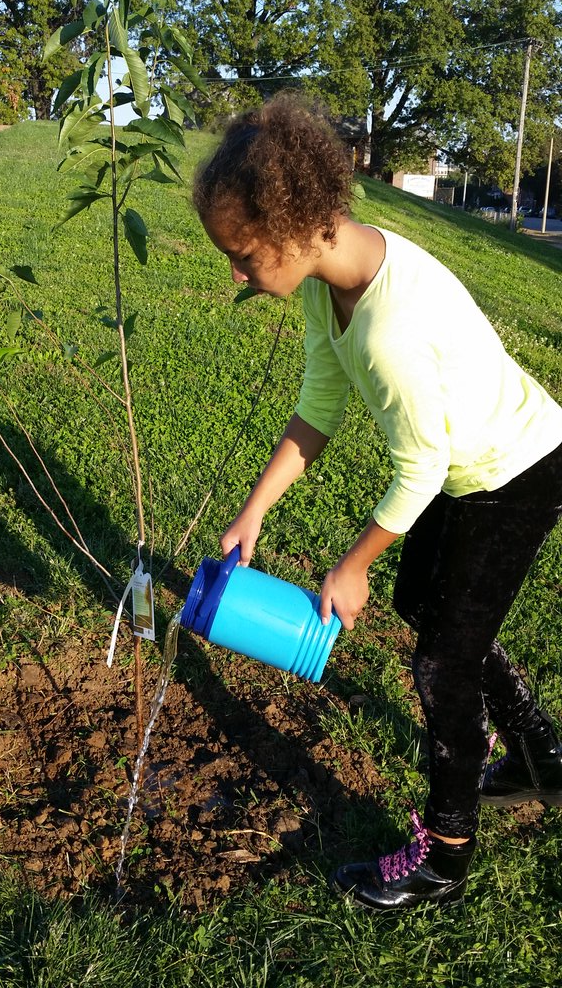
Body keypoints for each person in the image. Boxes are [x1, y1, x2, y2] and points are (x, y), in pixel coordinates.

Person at [192, 94, 562, 911]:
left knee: (442, 661)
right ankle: (541, 755)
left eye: (245, 255)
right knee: (419, 600)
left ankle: (444, 859)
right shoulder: (333, 286)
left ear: (299, 226)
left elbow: (421, 466)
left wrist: (351, 564)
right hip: (473, 464)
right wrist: (255, 512)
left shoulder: (389, 327)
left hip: (517, 469)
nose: (237, 273)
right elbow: (318, 409)